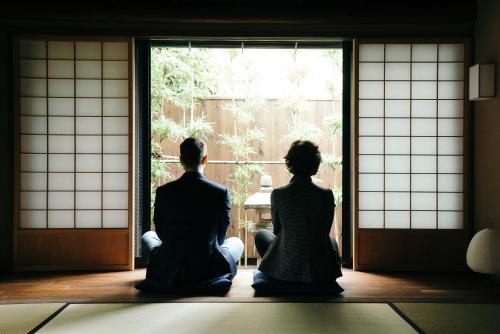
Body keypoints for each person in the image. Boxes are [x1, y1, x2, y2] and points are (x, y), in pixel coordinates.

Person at [137, 137, 244, 291]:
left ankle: (175, 273)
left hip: (171, 262)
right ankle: (209, 279)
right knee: (236, 242)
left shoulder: (164, 192)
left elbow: (160, 231)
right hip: (206, 264)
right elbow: (221, 234)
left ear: (181, 160)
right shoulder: (220, 192)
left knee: (148, 236)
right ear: (205, 159)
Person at [254, 140, 342, 283]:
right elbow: (325, 230)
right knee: (330, 239)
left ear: (290, 163)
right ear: (315, 165)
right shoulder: (326, 195)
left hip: (286, 265)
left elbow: (277, 230)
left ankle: (280, 273)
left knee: (261, 234)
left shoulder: (278, 194)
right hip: (319, 269)